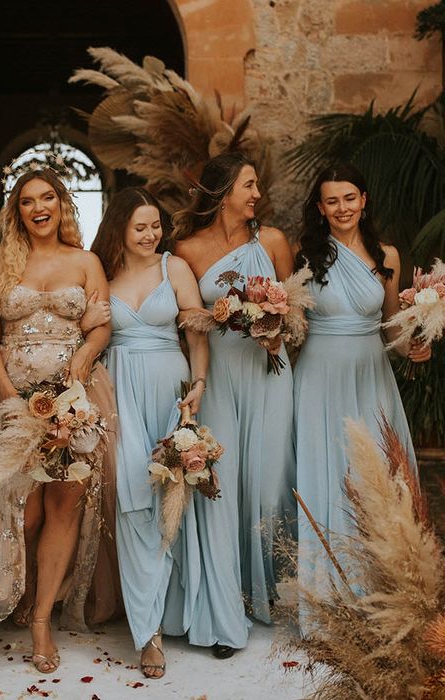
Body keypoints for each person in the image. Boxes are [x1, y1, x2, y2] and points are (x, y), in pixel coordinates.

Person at [0, 167, 119, 674]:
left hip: (75, 401)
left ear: (62, 205)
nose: (40, 208)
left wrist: (81, 362)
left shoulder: (86, 261)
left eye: (49, 198)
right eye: (29, 200)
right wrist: (12, 397)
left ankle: (41, 620)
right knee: (23, 511)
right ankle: (22, 589)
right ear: (17, 210)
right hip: (15, 401)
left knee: (62, 507)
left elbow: (101, 327)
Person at [170, 152, 296, 654]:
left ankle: (269, 596)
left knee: (267, 485)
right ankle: (224, 607)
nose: (257, 195)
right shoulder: (186, 250)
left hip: (270, 374)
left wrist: (276, 333)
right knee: (222, 488)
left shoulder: (273, 242)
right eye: (249, 185)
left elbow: (296, 312)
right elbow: (183, 324)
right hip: (218, 377)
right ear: (224, 193)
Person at [293, 164, 430, 623]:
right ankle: (326, 592)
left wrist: (415, 342)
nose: (342, 208)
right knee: (326, 469)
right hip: (318, 376)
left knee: (377, 472)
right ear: (320, 208)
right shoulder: (307, 255)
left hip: (371, 374)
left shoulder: (385, 253)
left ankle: (379, 587)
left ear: (364, 200)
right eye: (332, 201)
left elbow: (392, 324)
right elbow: (295, 325)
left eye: (349, 198)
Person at [91, 187, 208, 678]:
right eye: (140, 226)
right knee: (134, 501)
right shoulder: (101, 270)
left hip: (170, 390)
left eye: (155, 225)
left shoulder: (173, 268)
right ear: (119, 226)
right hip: (118, 393)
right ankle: (148, 634)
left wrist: (198, 384)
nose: (150, 234)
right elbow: (88, 332)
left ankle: (172, 612)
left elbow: (198, 334)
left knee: (172, 500)